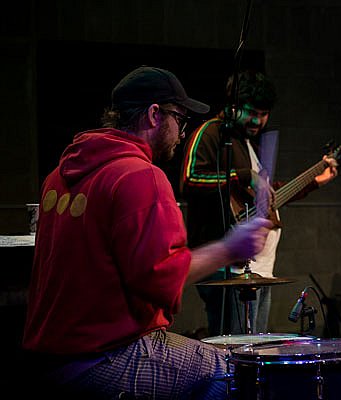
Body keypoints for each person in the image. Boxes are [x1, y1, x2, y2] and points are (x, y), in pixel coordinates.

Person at [20, 66, 272, 399]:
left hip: (47, 358)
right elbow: (161, 278)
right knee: (234, 372)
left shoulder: (56, 177)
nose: (182, 133)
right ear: (154, 115)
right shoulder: (140, 175)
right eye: (179, 119)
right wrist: (230, 248)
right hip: (103, 356)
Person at [180, 70, 338, 335]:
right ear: (233, 106)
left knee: (256, 343)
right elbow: (190, 180)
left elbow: (267, 198)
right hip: (226, 265)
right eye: (252, 112)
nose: (258, 120)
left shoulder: (247, 144)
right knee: (237, 346)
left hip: (259, 267)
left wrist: (315, 181)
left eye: (264, 114)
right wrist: (245, 175)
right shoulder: (211, 133)